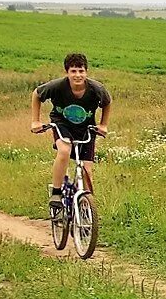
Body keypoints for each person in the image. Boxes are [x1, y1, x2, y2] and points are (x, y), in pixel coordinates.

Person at [30, 53, 112, 210]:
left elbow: (107, 102)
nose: (78, 75)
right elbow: (36, 94)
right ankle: (56, 192)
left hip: (86, 128)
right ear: (67, 72)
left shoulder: (96, 89)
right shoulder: (57, 86)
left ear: (86, 72)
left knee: (87, 170)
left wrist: (103, 124)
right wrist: (35, 121)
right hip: (62, 125)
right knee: (65, 150)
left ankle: (86, 209)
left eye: (81, 71)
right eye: (73, 71)